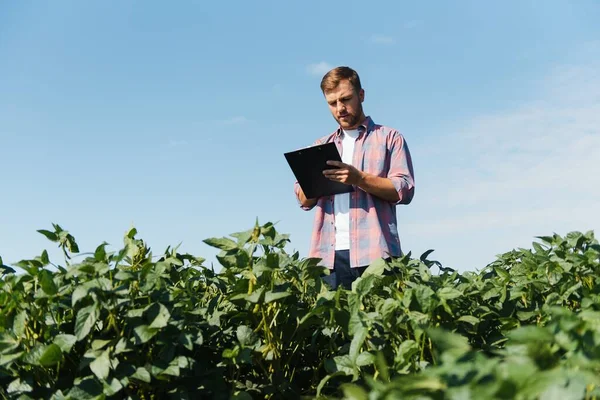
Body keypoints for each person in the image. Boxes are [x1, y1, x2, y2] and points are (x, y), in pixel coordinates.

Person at [294, 66, 415, 290]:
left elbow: (404, 190)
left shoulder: (389, 138)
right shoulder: (321, 146)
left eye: (346, 99)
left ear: (361, 95)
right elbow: (303, 201)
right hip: (327, 256)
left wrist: (358, 178)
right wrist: (312, 182)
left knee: (381, 323)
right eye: (332, 103)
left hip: (376, 255)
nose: (340, 108)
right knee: (333, 324)